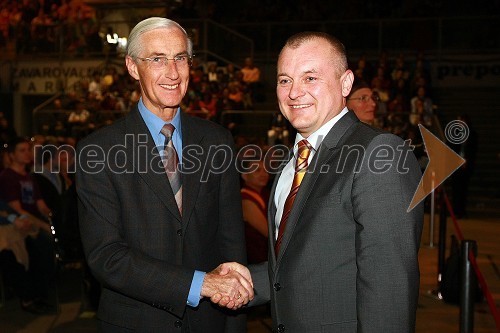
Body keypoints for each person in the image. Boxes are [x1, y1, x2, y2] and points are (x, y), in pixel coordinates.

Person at [216, 31, 424, 332]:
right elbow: (313, 264)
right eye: (284, 80)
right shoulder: (292, 160)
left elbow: (388, 283)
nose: (294, 92)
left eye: (310, 78)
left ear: (346, 83)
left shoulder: (380, 153)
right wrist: (248, 280)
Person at [76, 17, 253, 332]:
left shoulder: (216, 140)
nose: (172, 73)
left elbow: (231, 243)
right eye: (157, 59)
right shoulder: (97, 151)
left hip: (209, 322)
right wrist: (200, 285)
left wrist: (234, 321)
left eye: (180, 58)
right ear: (133, 67)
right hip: (136, 322)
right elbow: (106, 257)